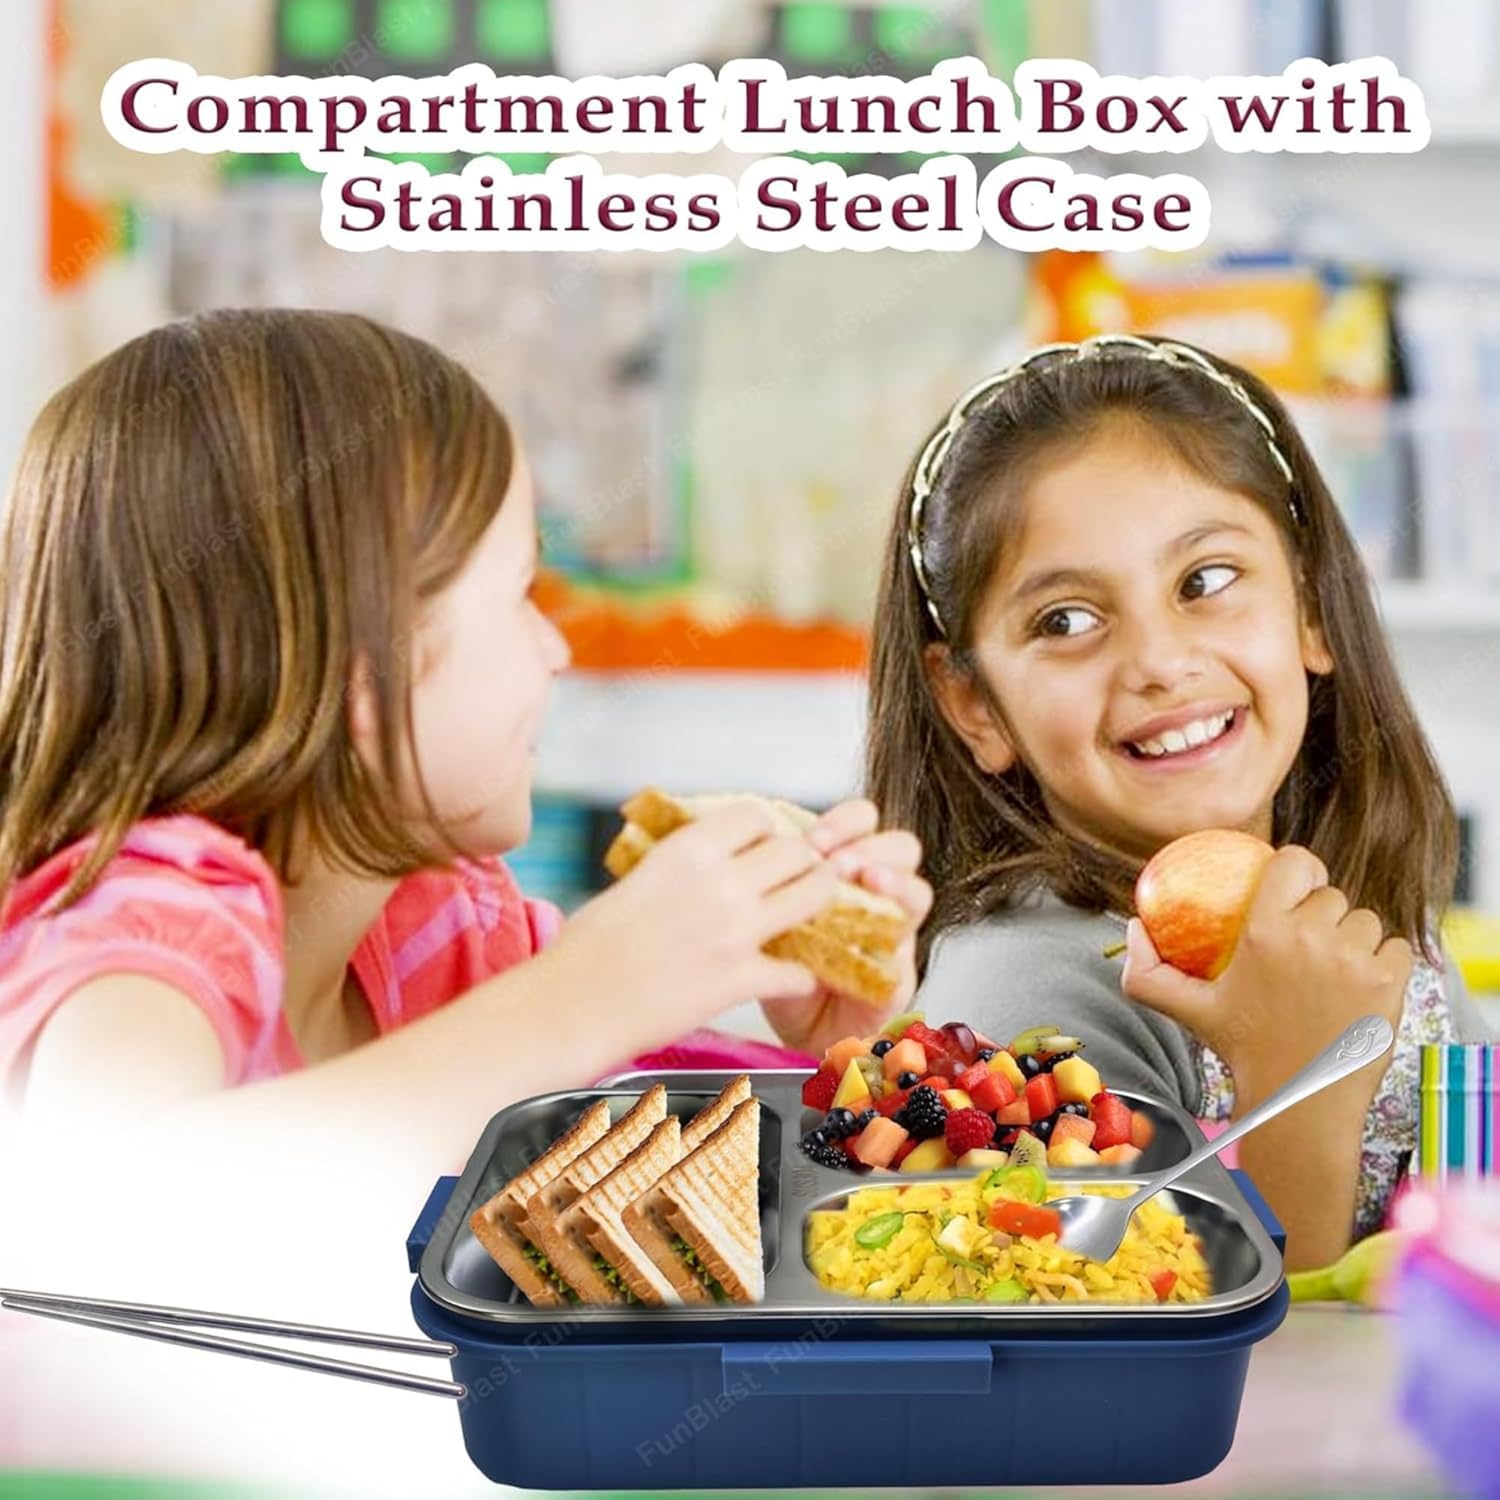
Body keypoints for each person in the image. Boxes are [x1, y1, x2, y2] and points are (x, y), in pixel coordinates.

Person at [0, 309, 930, 1247]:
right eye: (523, 592)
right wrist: (589, 991)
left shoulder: (442, 933)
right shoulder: (142, 923)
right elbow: (103, 1213)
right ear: (367, 665)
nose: (555, 648)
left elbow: (611, 1151)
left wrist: (822, 1062)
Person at [865, 332, 1489, 1270]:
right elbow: (1145, 1333)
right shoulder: (1018, 1004)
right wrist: (1295, 1080)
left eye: (1206, 581)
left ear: (1310, 606)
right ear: (975, 704)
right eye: (1066, 621)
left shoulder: (1370, 916)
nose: (1160, 661)